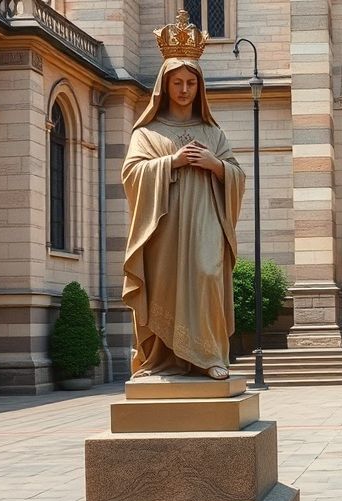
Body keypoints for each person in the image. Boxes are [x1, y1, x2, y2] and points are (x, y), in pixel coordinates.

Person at [122, 11, 245, 380]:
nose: (184, 89)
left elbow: (237, 175)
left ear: (199, 87)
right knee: (163, 285)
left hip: (206, 219)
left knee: (207, 275)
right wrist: (170, 162)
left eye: (191, 82)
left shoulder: (213, 133)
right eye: (177, 82)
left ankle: (209, 355)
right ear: (165, 86)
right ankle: (160, 359)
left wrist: (215, 165)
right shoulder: (147, 132)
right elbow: (130, 173)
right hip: (162, 226)